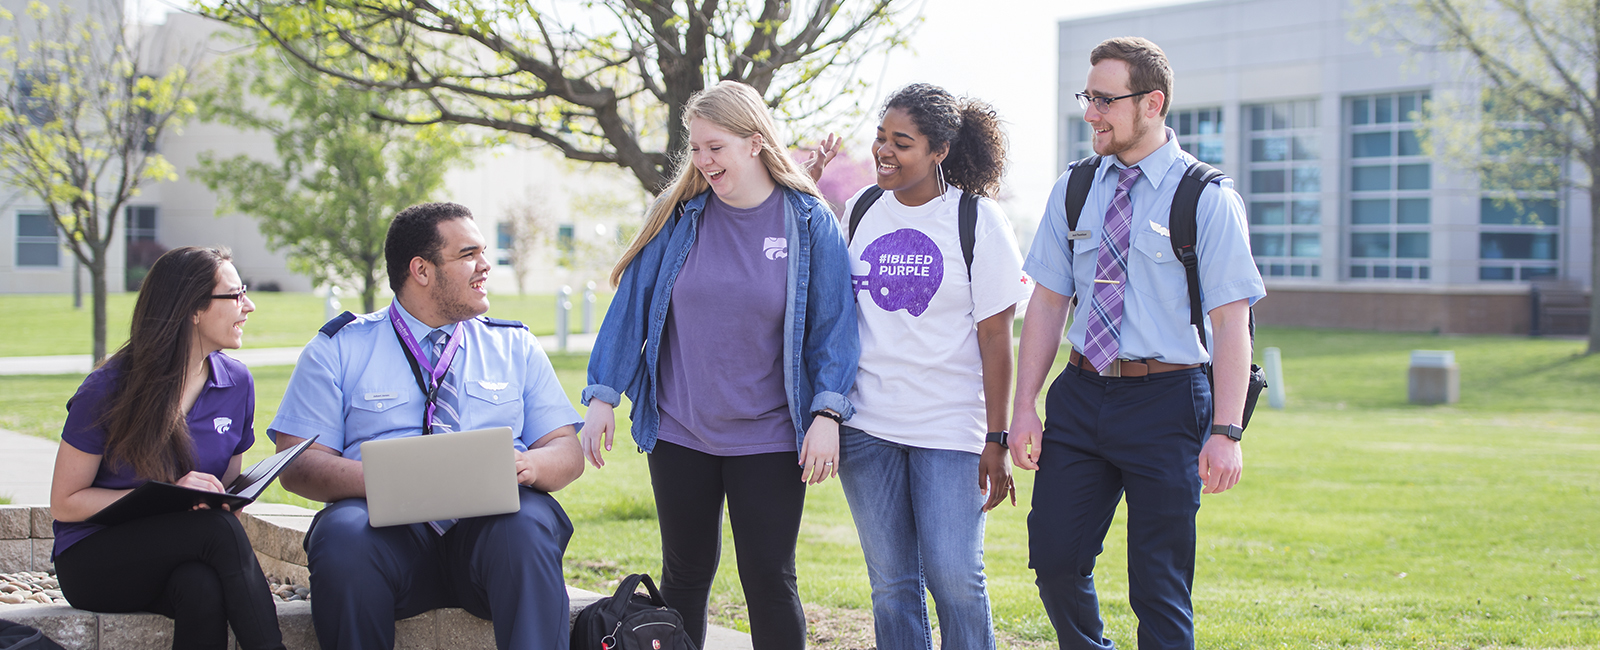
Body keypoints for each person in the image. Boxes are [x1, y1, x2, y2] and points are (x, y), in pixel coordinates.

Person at [581, 80, 858, 649]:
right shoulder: (679, 218)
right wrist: (602, 397)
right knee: (683, 576)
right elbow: (630, 305)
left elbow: (834, 327)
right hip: (681, 432)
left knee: (769, 580)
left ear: (756, 142)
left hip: (770, 436)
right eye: (697, 148)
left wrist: (828, 412)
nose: (703, 161)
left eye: (716, 147)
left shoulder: (808, 222)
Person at [1009, 37, 1266, 650]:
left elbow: (1233, 324)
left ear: (1152, 103)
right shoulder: (1074, 187)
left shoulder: (1205, 196)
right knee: (1054, 561)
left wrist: (1227, 432)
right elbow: (1047, 301)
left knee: (1159, 584)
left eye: (1105, 99)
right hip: (1080, 393)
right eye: (1087, 96)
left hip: (1169, 401)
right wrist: (1025, 406)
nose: (1090, 112)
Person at [267, 202, 584, 650]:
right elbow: (296, 463)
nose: (485, 266)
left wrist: (529, 466)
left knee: (528, 523)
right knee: (342, 536)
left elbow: (566, 451)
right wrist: (388, 480)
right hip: (385, 537)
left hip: (492, 540)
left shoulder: (514, 346)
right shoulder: (338, 348)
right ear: (421, 270)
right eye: (468, 254)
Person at [835, 83, 1030, 650]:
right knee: (892, 586)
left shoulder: (977, 220)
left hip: (950, 428)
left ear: (940, 150)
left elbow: (997, 337)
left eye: (902, 142)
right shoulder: (862, 209)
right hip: (868, 427)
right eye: (879, 138)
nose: (884, 152)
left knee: (957, 582)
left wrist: (996, 437)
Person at [49, 246, 285, 650]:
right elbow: (65, 503)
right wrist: (170, 496)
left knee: (201, 587)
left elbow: (224, 484)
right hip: (94, 558)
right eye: (234, 295)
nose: (249, 305)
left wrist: (224, 498)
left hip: (182, 552)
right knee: (218, 531)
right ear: (192, 309)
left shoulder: (237, 382)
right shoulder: (108, 389)